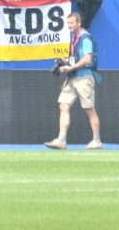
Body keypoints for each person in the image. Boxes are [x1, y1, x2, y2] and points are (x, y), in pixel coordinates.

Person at [44, 12, 102, 151]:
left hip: (84, 77)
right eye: (68, 23)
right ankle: (61, 140)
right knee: (63, 105)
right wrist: (65, 61)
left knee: (89, 110)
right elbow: (75, 58)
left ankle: (96, 140)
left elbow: (87, 59)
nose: (69, 25)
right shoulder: (74, 38)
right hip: (73, 76)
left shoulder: (85, 38)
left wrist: (71, 68)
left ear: (79, 23)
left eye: (72, 23)